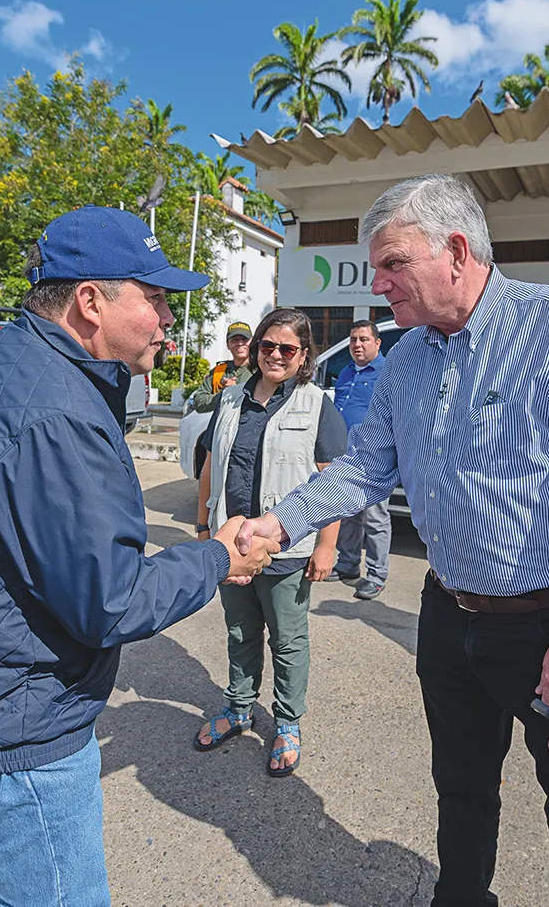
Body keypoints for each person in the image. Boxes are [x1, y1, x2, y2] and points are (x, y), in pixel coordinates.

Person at [238, 174, 549, 906]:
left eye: (394, 263)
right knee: (460, 795)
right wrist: (280, 523)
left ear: (456, 251)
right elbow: (369, 466)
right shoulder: (406, 358)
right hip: (447, 619)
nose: (379, 283)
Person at [0, 207, 278, 906]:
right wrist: (219, 557)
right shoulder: (53, 407)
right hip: (15, 721)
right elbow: (113, 600)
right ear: (90, 301)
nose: (167, 319)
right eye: (154, 298)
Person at [192, 308, 347, 776]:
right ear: (256, 348)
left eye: (287, 349)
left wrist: (326, 545)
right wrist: (203, 527)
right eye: (267, 346)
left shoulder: (316, 403)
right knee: (239, 632)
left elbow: (333, 480)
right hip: (230, 544)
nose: (275, 355)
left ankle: (286, 722)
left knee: (287, 639)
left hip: (286, 548)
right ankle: (239, 709)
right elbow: (209, 466)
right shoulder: (231, 398)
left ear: (303, 356)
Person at [331, 320, 392, 600]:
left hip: (374, 459)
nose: (357, 344)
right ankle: (347, 564)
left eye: (364, 339)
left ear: (377, 343)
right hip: (346, 457)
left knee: (375, 518)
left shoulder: (387, 372)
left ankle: (377, 575)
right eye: (354, 339)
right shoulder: (345, 372)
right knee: (348, 514)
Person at [190, 321, 254, 413]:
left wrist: (236, 392)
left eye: (244, 339)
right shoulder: (219, 371)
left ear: (252, 342)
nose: (240, 343)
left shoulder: (260, 370)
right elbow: (199, 403)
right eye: (234, 340)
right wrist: (223, 395)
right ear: (227, 344)